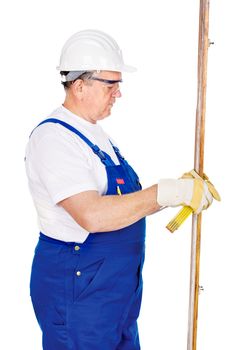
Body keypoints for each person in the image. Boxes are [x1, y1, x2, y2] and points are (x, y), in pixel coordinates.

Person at [25, 29, 216, 350]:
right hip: (79, 295)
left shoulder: (97, 136)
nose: (118, 93)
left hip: (115, 295)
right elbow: (92, 216)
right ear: (80, 85)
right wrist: (166, 192)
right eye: (110, 84)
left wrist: (178, 191)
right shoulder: (54, 139)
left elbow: (125, 204)